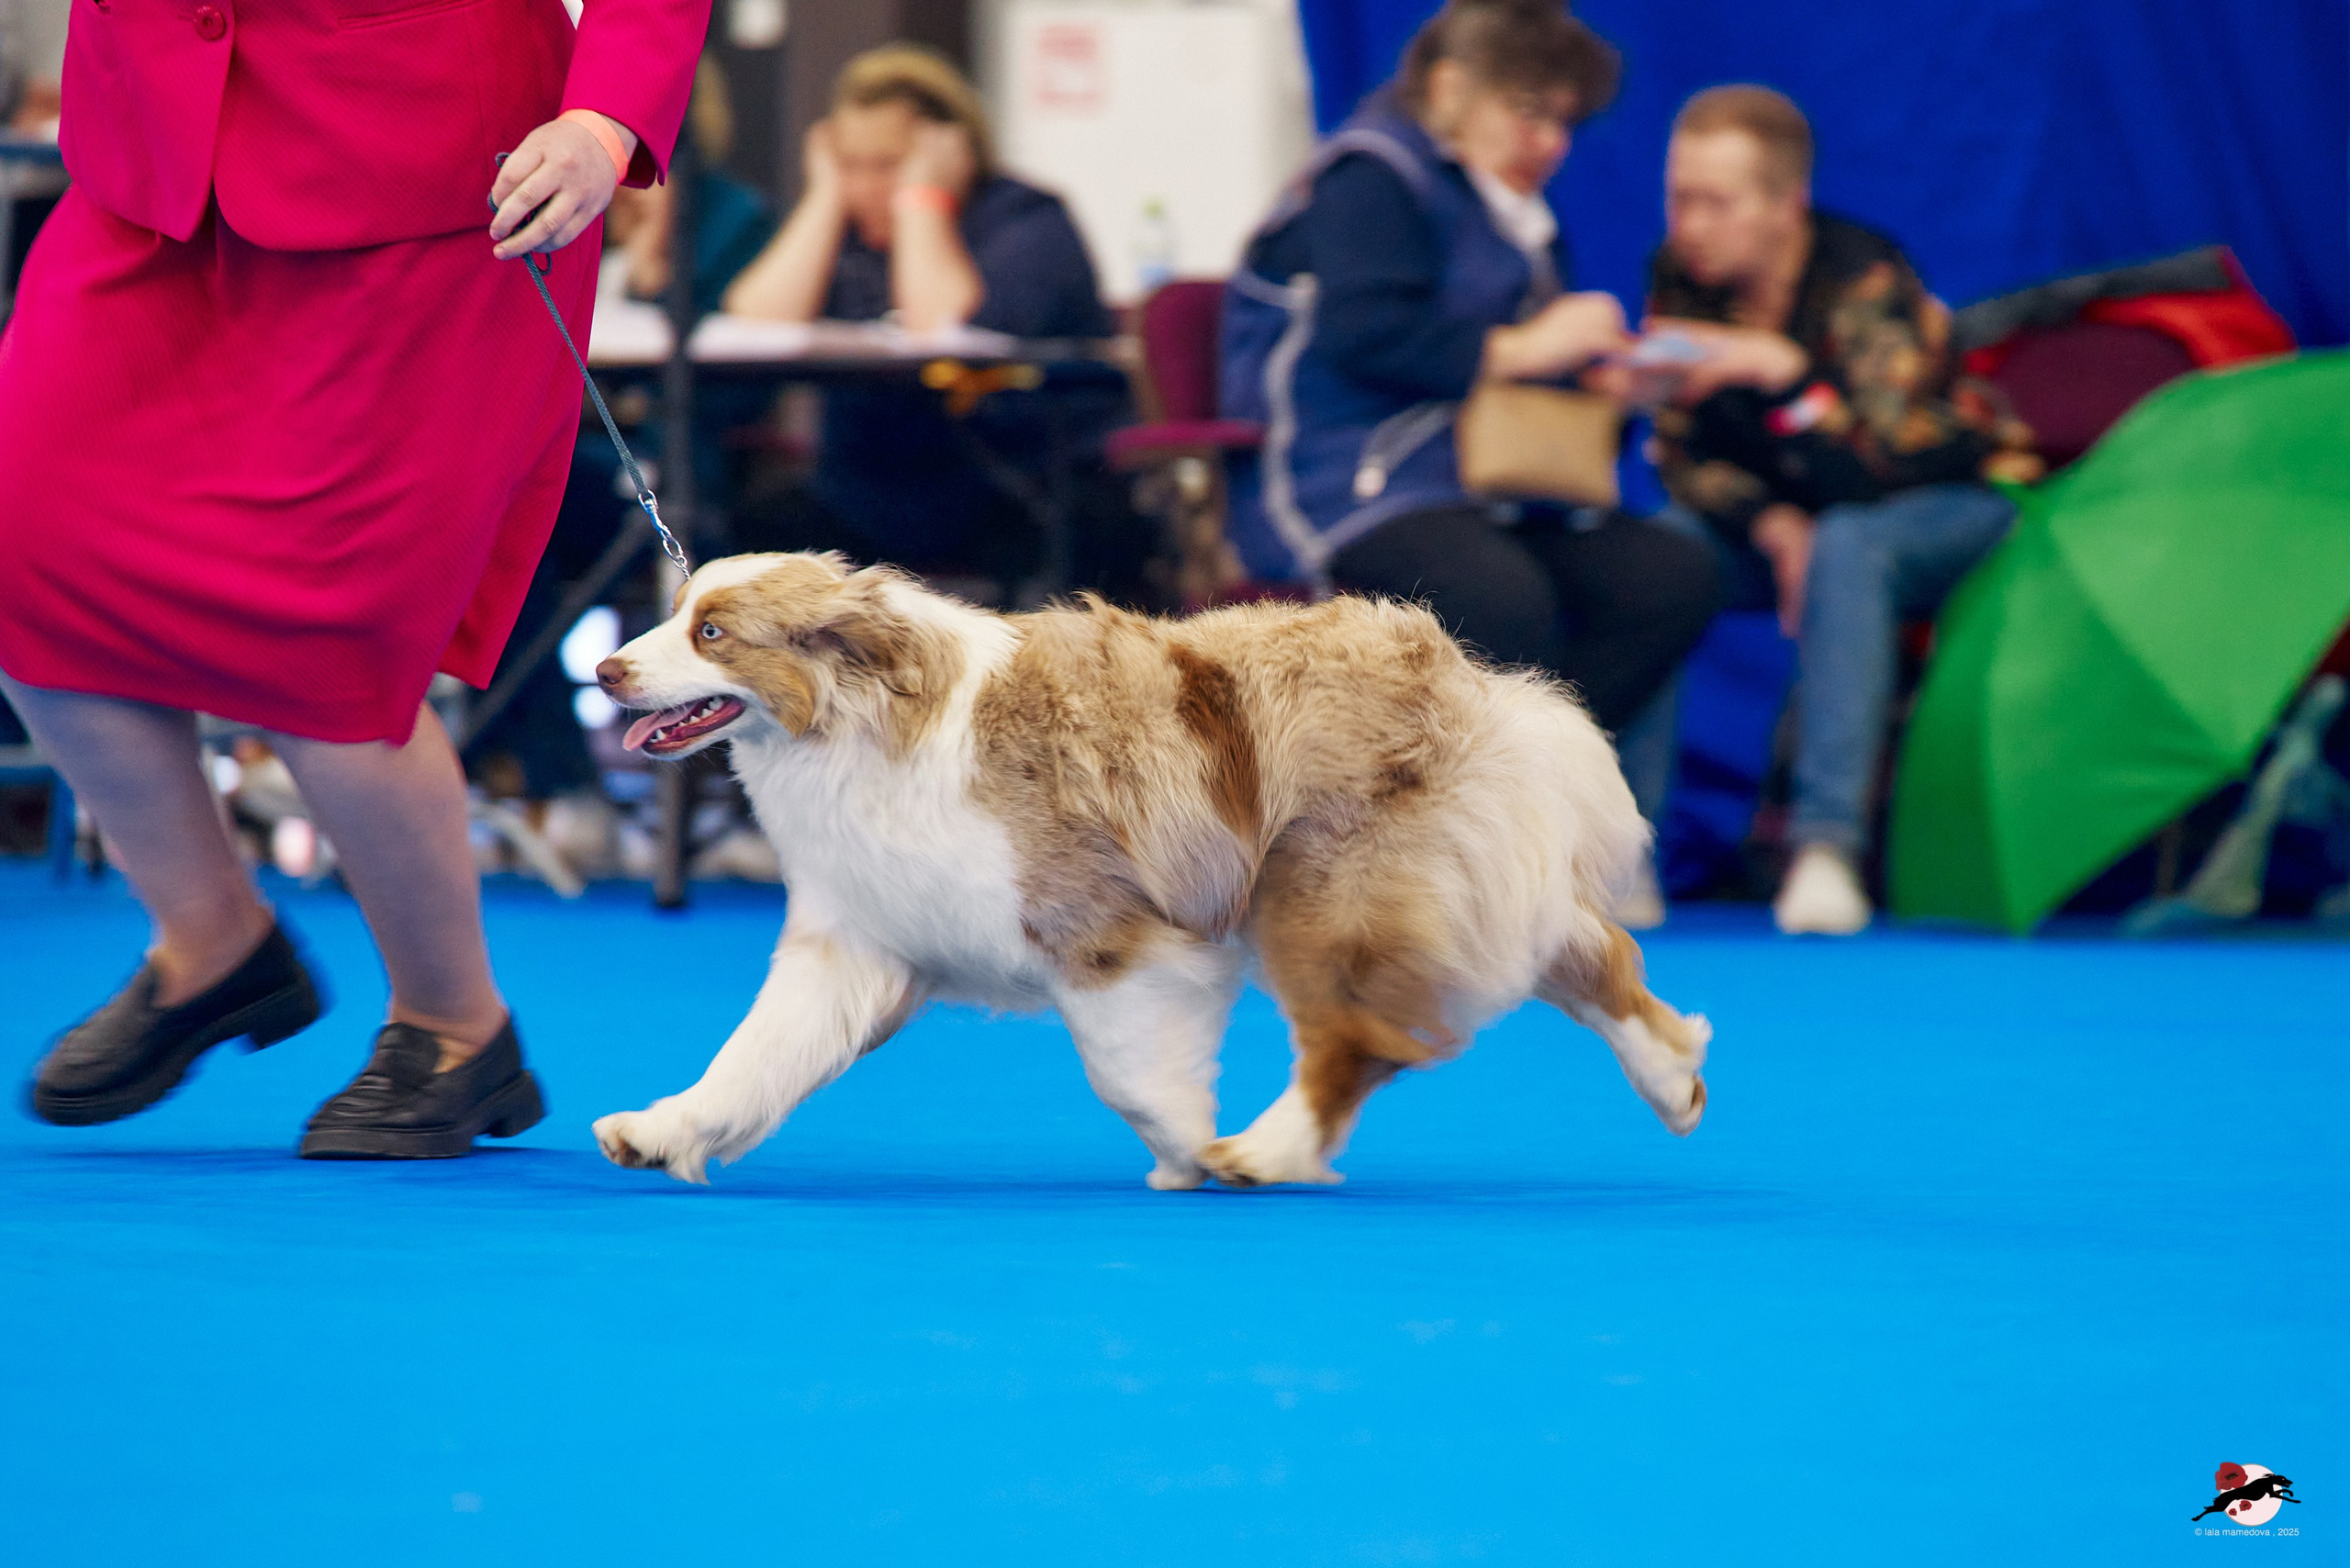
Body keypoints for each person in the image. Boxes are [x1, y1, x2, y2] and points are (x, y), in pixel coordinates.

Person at [0, 1, 705, 1150]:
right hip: (149, 166)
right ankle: (211, 941)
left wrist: (603, 119)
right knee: (21, 540)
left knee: (319, 628)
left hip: (426, 182)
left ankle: (454, 1027)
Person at [1219, 0, 1718, 767]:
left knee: (1671, 577)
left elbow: (1520, 389)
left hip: (1479, 487)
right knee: (1504, 601)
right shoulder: (1370, 177)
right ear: (1450, 88)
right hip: (1347, 483)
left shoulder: (1515, 215)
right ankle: (1497, 794)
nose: (1551, 144)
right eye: (1529, 113)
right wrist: (1525, 347)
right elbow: (1366, 334)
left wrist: (1609, 394)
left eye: (1564, 122)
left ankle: (1535, 783)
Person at [1643, 84, 2042, 935]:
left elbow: (1885, 468)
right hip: (1790, 525)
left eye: (1717, 202)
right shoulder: (1680, 277)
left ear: (1787, 206)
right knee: (1658, 556)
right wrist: (1770, 523)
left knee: (1852, 543)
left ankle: (1826, 847)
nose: (1691, 225)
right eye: (1679, 198)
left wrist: (1784, 375)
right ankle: (1622, 855)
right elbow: (1682, 457)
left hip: (1951, 509)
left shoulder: (1866, 279)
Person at [720, 45, 1148, 601]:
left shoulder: (1028, 222)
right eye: (850, 164)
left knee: (1073, 541)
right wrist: (824, 195)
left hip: (1016, 487)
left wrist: (922, 199)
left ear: (953, 151)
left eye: (887, 165)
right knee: (751, 535)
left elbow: (941, 329)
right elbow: (756, 320)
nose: (866, 187)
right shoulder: (843, 230)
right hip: (869, 493)